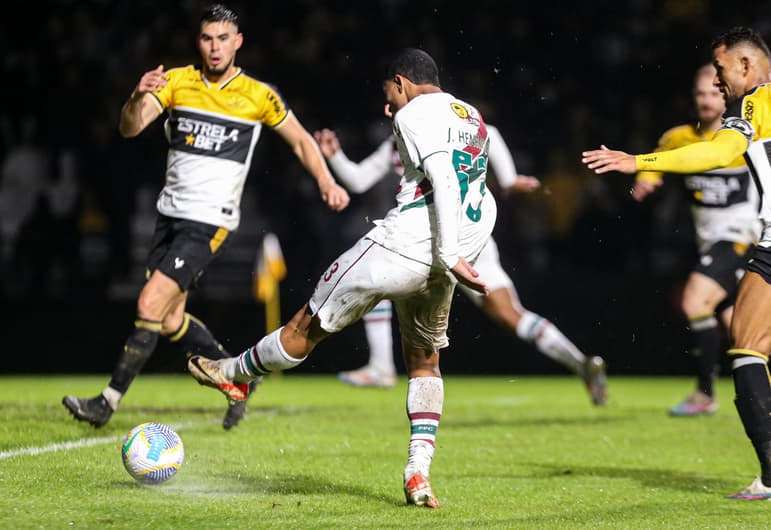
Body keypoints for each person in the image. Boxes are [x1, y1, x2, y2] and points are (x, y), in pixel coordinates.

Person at [188, 48, 494, 509]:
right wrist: (457, 252)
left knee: (304, 327)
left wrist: (449, 253)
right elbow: (475, 187)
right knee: (425, 362)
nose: (387, 104)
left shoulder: (412, 114)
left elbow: (444, 180)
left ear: (401, 81)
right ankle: (418, 472)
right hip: (450, 249)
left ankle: (234, 374)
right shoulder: (469, 114)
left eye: (389, 93)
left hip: (410, 244)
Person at [62, 4, 349, 431]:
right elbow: (129, 127)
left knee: (148, 303)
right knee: (171, 319)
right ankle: (239, 380)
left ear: (238, 43)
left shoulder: (258, 95)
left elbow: (303, 142)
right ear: (199, 42)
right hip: (170, 217)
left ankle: (107, 402)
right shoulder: (176, 82)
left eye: (223, 39)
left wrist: (327, 181)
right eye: (207, 39)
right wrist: (137, 95)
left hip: (209, 220)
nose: (215, 48)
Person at [582, 26, 771, 499]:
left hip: (759, 241)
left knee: (746, 347)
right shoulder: (697, 127)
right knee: (747, 339)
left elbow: (717, 152)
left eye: (722, 70)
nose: (719, 81)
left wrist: (638, 161)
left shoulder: (756, 103)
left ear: (746, 66)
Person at [314, 120, 608, 405]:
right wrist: (336, 156)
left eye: (392, 93)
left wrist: (507, 178)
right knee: (378, 279)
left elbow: (488, 131)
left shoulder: (436, 122)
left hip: (461, 240)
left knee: (507, 314)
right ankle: (381, 365)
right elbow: (358, 179)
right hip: (427, 240)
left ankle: (580, 364)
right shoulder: (396, 140)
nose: (388, 107)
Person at [632, 64, 759, 417]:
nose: (706, 100)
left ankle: (705, 394)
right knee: (738, 328)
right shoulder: (679, 138)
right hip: (710, 243)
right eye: (700, 94)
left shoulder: (742, 136)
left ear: (726, 95)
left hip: (743, 237)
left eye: (713, 93)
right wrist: (646, 179)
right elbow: (654, 165)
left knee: (694, 300)